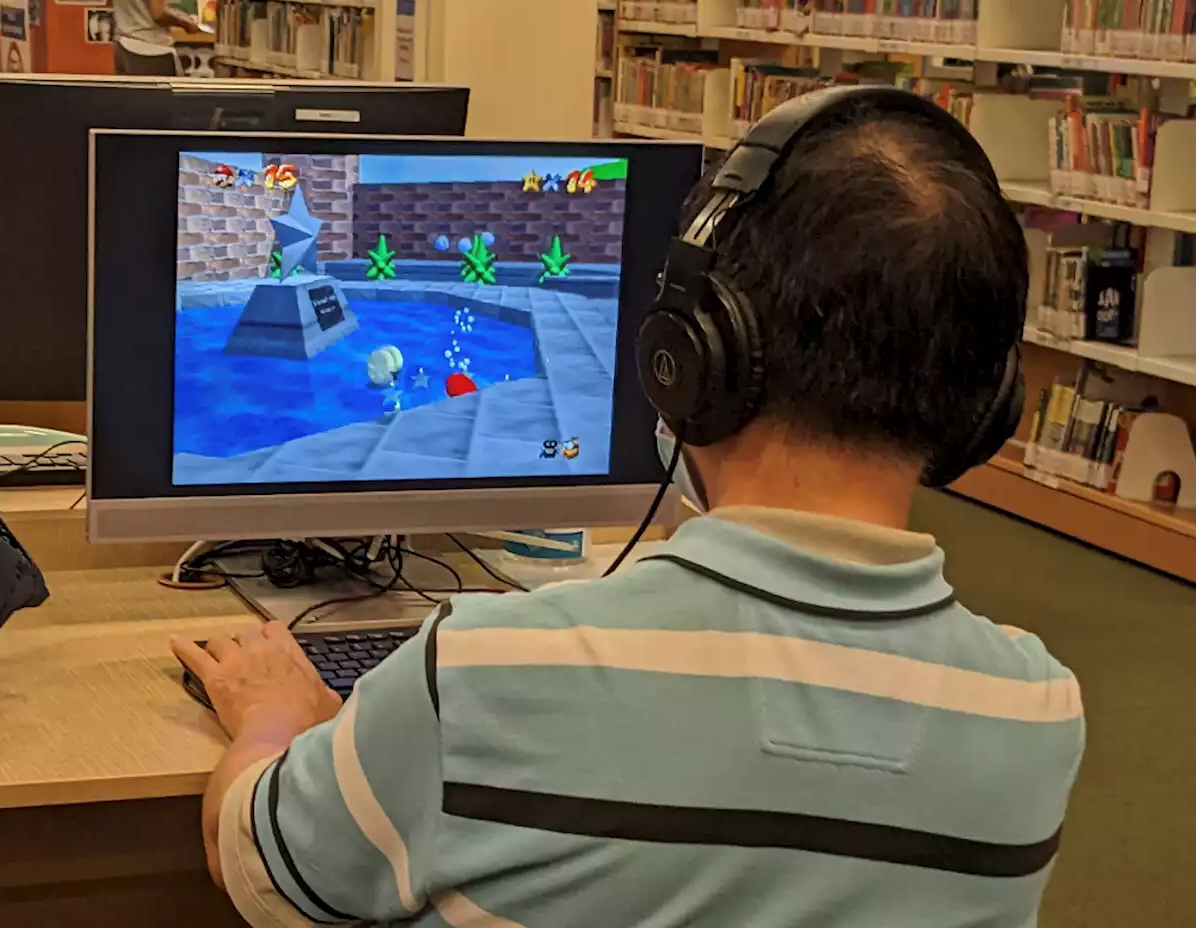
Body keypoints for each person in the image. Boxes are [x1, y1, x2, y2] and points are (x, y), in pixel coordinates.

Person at [173, 88, 1086, 928]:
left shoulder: (494, 669)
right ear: (984, 401)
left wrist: (269, 721)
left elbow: (259, 866)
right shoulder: (1036, 713)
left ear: (689, 355)